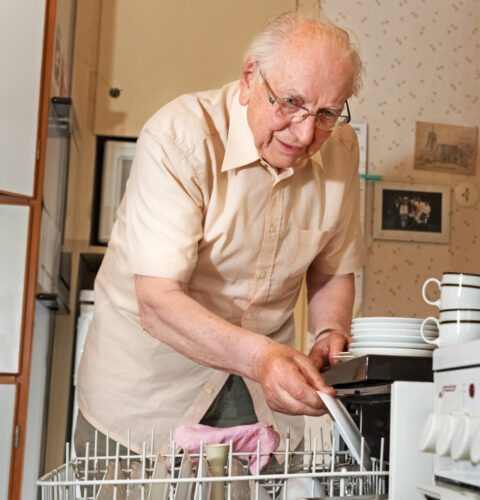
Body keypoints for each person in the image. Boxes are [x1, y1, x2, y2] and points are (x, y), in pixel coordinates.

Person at [75, 11, 366, 455]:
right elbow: (157, 301)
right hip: (147, 393)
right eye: (290, 102)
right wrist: (262, 357)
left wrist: (330, 332)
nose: (306, 133)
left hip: (263, 395)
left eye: (326, 113)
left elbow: (331, 270)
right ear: (250, 78)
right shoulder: (178, 137)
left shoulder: (341, 148)